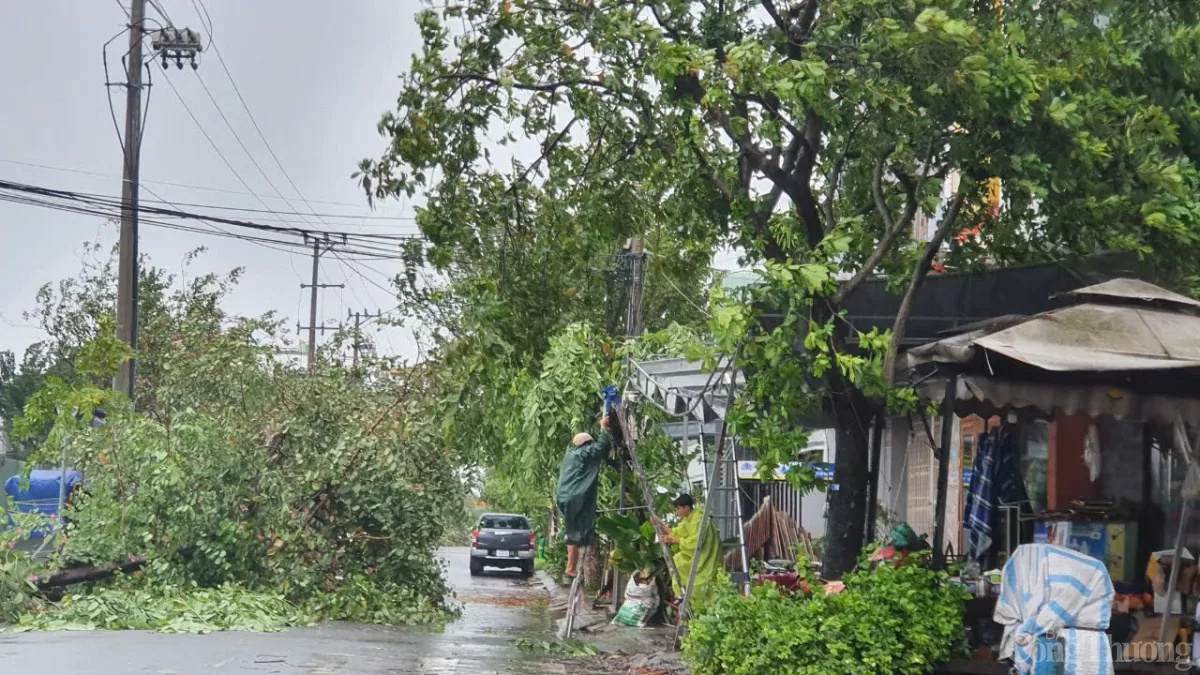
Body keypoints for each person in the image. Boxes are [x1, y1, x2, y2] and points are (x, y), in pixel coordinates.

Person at [555, 415, 611, 578]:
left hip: (565, 497)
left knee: (576, 529)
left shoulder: (570, 453)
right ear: (586, 445)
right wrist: (603, 428)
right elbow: (600, 447)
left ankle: (572, 567)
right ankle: (570, 569)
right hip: (574, 497)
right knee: (575, 533)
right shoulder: (582, 453)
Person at [655, 493, 721, 609]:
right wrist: (660, 525)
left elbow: (696, 542)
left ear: (686, 508)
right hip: (697, 554)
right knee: (677, 560)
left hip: (706, 556)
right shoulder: (689, 518)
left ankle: (693, 600)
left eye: (678, 508)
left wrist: (673, 539)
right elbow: (678, 531)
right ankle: (683, 594)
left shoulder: (697, 520)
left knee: (700, 580)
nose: (677, 512)